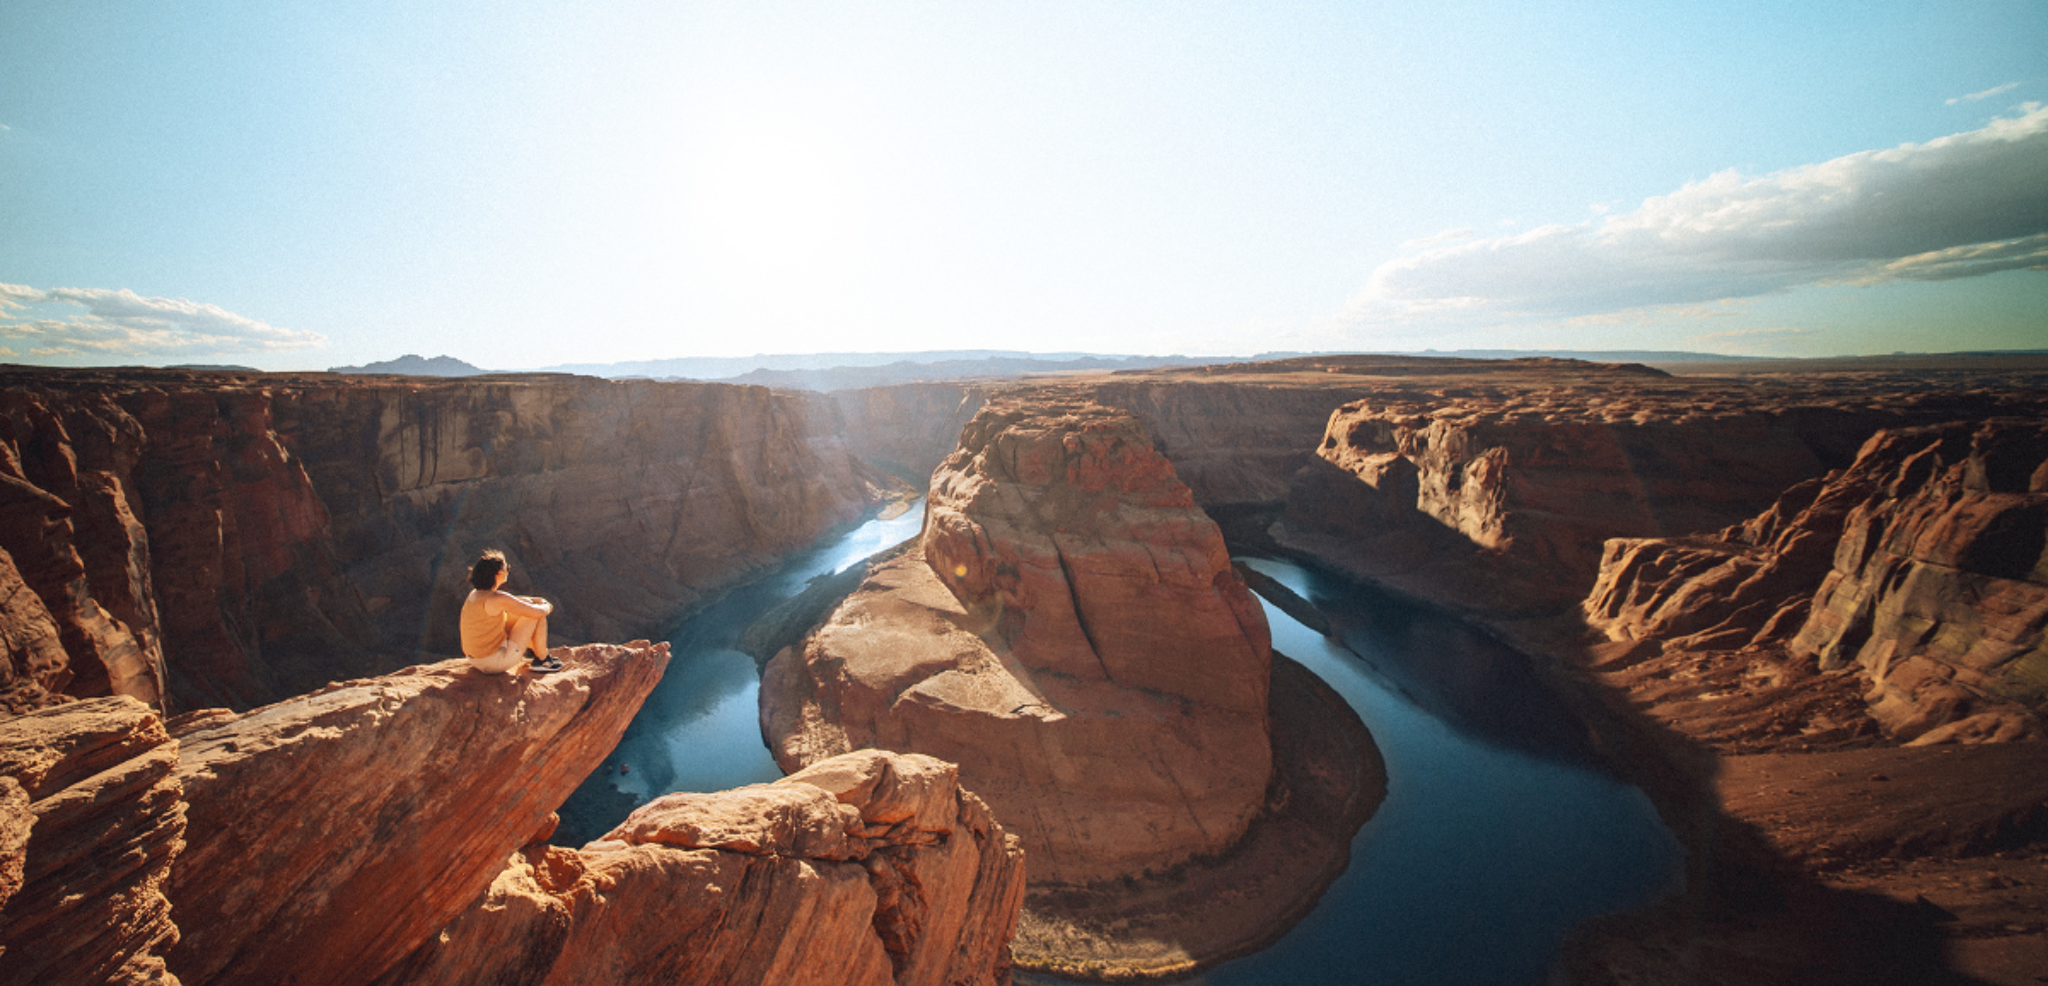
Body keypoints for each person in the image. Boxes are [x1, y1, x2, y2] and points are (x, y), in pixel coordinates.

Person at [461, 550, 562, 674]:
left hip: (476, 659)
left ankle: (540, 654)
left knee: (526, 606)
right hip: (493, 662)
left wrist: (535, 600)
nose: (508, 571)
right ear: (499, 573)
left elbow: (514, 602)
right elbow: (537, 612)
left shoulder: (475, 595)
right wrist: (547, 606)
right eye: (507, 568)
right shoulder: (497, 598)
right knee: (534, 615)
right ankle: (543, 660)